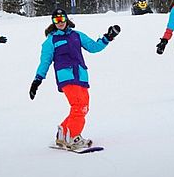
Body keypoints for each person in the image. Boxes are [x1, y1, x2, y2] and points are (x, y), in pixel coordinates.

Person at [29, 8, 120, 150]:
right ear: (53, 22)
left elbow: (93, 47)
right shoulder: (50, 41)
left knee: (83, 108)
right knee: (79, 107)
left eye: (61, 19)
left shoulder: (77, 35)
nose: (59, 23)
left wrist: (107, 38)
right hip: (66, 76)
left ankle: (63, 134)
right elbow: (45, 62)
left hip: (81, 75)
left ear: (66, 19)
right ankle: (73, 137)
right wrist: (37, 80)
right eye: (56, 20)